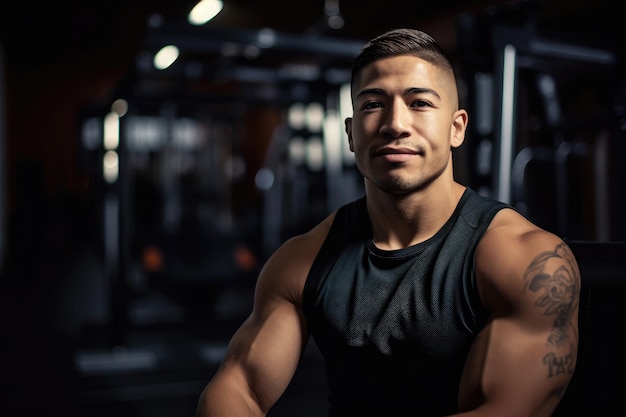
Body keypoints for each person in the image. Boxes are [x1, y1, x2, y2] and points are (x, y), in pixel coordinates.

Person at [195, 28, 581, 417]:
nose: (395, 124)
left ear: (456, 128)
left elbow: (504, 410)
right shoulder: (303, 260)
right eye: (373, 104)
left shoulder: (526, 259)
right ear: (350, 134)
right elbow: (239, 387)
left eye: (419, 103)